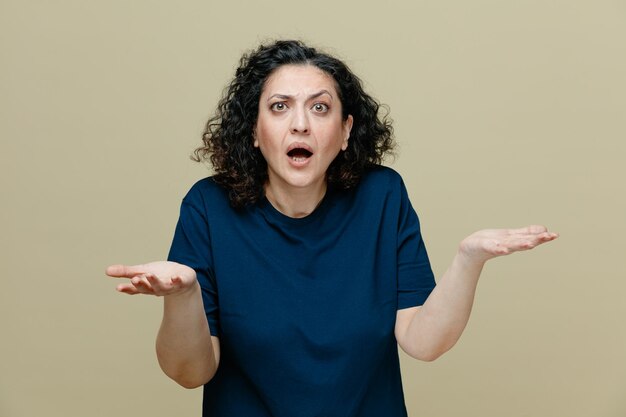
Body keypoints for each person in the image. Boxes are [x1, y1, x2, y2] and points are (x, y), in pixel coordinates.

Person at [106, 40, 558, 417]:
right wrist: (183, 297)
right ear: (253, 132)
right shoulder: (208, 206)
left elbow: (423, 342)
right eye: (280, 107)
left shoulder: (383, 196)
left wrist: (468, 260)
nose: (300, 123)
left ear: (345, 132)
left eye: (320, 108)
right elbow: (189, 373)